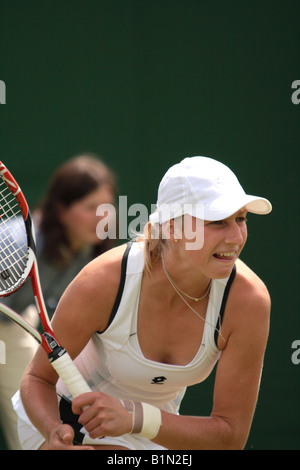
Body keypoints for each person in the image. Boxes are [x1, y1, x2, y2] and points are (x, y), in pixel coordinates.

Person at [13, 156, 272, 450]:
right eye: (217, 222)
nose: (236, 237)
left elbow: (230, 436)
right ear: (173, 229)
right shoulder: (103, 280)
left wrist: (136, 418)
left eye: (241, 219)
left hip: (152, 433)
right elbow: (37, 379)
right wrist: (53, 433)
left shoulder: (249, 301)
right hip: (63, 419)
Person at [0, 153, 117, 449]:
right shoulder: (13, 242)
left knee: (31, 426)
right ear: (62, 211)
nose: (102, 216)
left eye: (106, 207)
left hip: (14, 328)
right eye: (91, 207)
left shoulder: (92, 254)